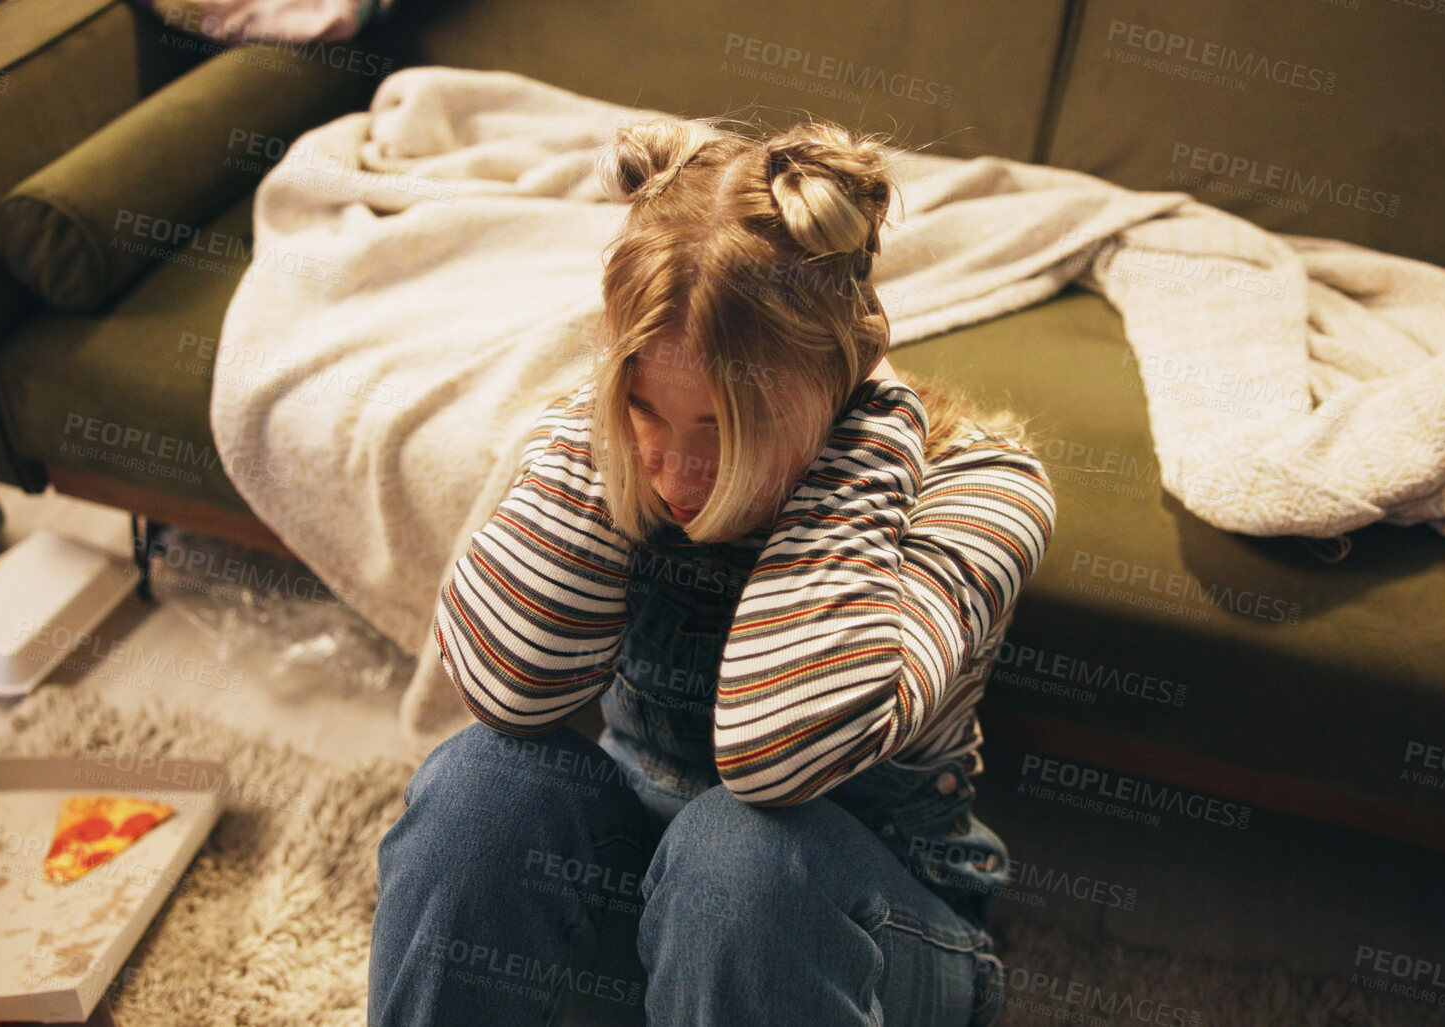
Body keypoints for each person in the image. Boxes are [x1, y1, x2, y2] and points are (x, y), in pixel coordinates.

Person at [369, 114, 1058, 1027]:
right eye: (647, 408)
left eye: (728, 424)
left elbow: (781, 757)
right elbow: (511, 687)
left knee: (740, 854)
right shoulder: (611, 441)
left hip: (856, 935)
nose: (677, 472)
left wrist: (862, 438)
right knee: (479, 785)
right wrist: (610, 416)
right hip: (647, 897)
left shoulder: (979, 489)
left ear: (841, 371)